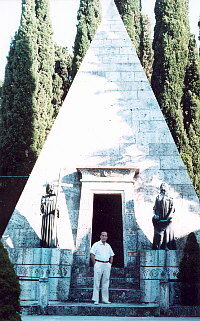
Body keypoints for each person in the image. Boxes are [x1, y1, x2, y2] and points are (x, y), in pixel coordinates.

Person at [90, 231, 114, 305]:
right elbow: (92, 254)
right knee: (97, 281)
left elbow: (111, 255)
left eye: (105, 236)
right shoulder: (96, 245)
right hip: (98, 264)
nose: (104, 237)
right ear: (100, 236)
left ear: (107, 237)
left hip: (106, 264)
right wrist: (95, 264)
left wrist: (110, 264)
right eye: (103, 235)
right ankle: (96, 300)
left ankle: (105, 299)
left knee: (106, 282)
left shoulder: (108, 246)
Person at [152, 183, 176, 250]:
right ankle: (158, 246)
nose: (163, 188)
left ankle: (166, 245)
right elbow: (154, 208)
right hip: (159, 217)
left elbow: (172, 208)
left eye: (164, 186)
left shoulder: (170, 197)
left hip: (167, 216)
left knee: (167, 231)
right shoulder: (158, 197)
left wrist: (169, 216)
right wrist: (156, 215)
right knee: (158, 232)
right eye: (161, 187)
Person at [40, 183, 59, 248]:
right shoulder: (44, 197)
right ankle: (45, 243)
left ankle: (52, 243)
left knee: (51, 229)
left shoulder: (55, 197)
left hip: (52, 217)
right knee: (45, 229)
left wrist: (57, 210)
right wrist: (43, 204)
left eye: (51, 187)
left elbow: (57, 208)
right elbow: (42, 209)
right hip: (46, 217)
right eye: (49, 187)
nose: (50, 189)